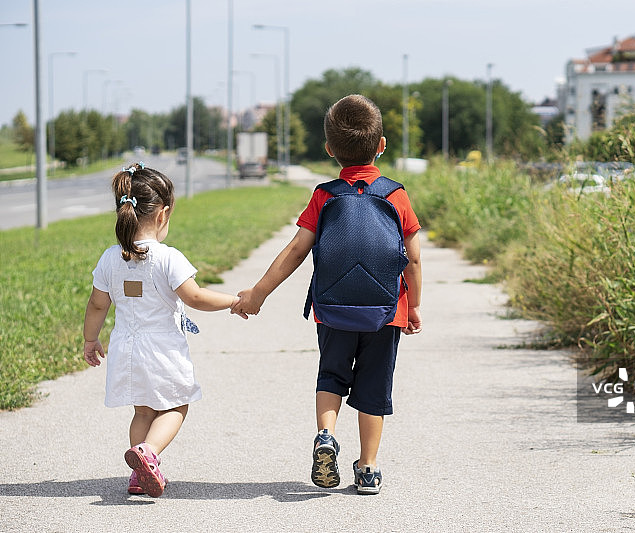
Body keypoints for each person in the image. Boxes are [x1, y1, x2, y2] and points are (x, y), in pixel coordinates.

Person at [233, 94, 423, 494]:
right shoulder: (396, 195)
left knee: (332, 376)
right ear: (382, 145)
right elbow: (413, 260)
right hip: (386, 311)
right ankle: (368, 468)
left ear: (329, 150)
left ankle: (325, 435)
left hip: (332, 308)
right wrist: (415, 306)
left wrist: (258, 294)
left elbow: (296, 250)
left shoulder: (324, 196)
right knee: (374, 389)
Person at [82, 162, 242, 497]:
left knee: (142, 410)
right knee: (176, 406)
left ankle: (139, 475)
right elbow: (195, 297)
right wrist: (233, 301)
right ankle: (148, 454)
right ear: (162, 215)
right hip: (162, 350)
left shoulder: (110, 258)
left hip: (127, 349)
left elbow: (98, 304)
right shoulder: (168, 258)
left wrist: (90, 339)